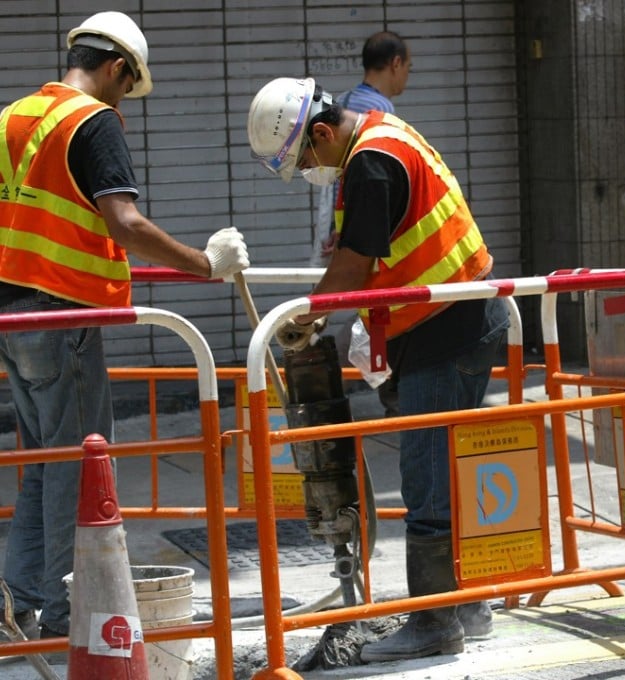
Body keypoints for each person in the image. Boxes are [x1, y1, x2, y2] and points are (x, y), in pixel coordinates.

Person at [0, 11, 249, 641]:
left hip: (12, 316)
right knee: (81, 467)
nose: (124, 103)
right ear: (116, 68)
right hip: (64, 315)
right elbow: (126, 223)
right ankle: (63, 611)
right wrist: (205, 265)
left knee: (48, 462)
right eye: (126, 86)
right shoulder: (93, 121)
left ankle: (16, 602)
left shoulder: (14, 116)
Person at [247, 76, 508, 661]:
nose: (312, 169)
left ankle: (437, 623)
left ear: (320, 132)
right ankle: (468, 605)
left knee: (427, 479)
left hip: (448, 328)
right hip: (456, 318)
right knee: (443, 470)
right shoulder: (385, 135)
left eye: (307, 158)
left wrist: (302, 321)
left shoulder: (369, 161)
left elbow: (354, 262)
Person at [309, 31, 411, 418]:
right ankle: (389, 396)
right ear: (395, 63)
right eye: (408, 68)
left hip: (334, 231)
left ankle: (322, 389)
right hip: (358, 237)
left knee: (346, 316)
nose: (406, 77)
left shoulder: (343, 105)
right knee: (370, 318)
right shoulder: (378, 116)